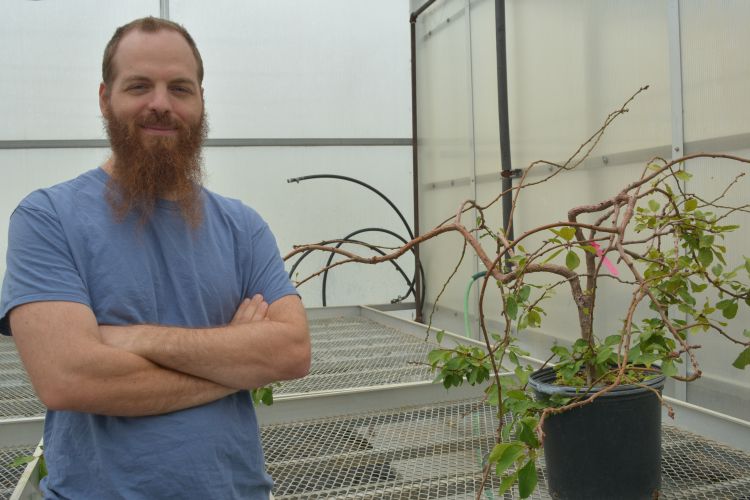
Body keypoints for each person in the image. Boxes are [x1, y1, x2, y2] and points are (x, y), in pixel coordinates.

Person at [0, 16, 310, 499]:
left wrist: (136, 339)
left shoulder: (242, 227)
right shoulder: (48, 217)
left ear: (202, 101)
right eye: (139, 86)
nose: (161, 104)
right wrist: (236, 357)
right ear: (105, 98)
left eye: (180, 88)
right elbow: (69, 379)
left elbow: (291, 352)